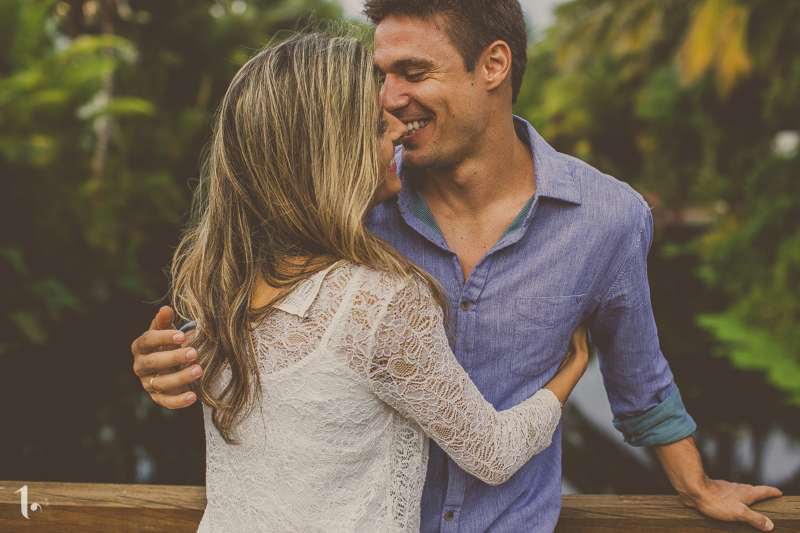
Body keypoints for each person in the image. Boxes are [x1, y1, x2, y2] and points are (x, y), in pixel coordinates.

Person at [132, 1, 783, 532]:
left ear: (493, 64)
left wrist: (695, 484)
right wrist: (176, 353)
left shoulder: (609, 217)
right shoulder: (352, 207)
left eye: (412, 71)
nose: (389, 99)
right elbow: (273, 325)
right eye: (380, 74)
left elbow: (641, 378)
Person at [159, 31, 590, 532]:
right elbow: (490, 452)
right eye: (373, 120)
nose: (396, 127)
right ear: (329, 152)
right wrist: (569, 373)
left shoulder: (224, 289)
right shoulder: (379, 306)